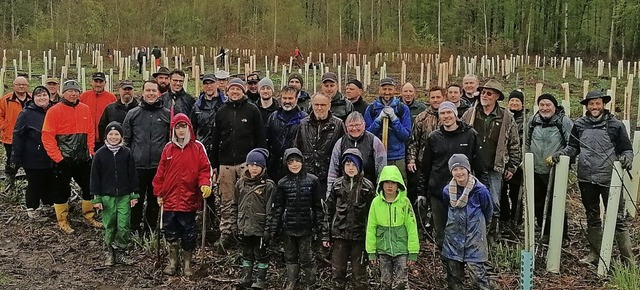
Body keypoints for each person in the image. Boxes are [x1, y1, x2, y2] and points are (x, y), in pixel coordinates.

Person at [551, 90, 636, 265]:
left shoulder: (615, 125)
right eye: (591, 104)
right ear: (587, 106)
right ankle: (595, 255)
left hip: (609, 179)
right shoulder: (580, 124)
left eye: (597, 103)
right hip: (586, 178)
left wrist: (627, 158)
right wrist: (561, 154)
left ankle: (628, 259)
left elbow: (627, 149)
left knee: (618, 219)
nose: (594, 107)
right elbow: (572, 148)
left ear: (603, 104)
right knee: (592, 216)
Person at [417, 101, 485, 249]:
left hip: (463, 193)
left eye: (449, 112)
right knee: (442, 233)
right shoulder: (434, 137)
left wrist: (481, 189)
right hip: (438, 192)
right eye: (443, 113)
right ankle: (446, 265)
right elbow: (426, 167)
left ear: (455, 114)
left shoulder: (470, 135)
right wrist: (422, 192)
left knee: (461, 231)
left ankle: (459, 265)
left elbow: (479, 165)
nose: (446, 116)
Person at [461, 79, 521, 244]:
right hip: (473, 167)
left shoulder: (506, 117)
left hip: (494, 167)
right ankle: (473, 235)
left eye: (489, 93)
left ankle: (491, 236)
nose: (484, 96)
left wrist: (512, 165)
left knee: (493, 202)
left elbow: (514, 144)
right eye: (483, 92)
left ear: (497, 97)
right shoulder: (470, 114)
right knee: (471, 200)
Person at [210, 78, 266, 250]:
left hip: (246, 164)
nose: (235, 92)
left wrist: (260, 162)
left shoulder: (252, 111)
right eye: (232, 89)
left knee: (246, 200)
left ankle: (245, 234)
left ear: (243, 91)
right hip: (225, 164)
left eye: (238, 89)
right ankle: (227, 233)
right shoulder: (221, 111)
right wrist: (214, 165)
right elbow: (215, 139)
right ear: (227, 91)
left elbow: (260, 137)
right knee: (227, 201)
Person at [153, 113, 212, 276]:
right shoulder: (168, 149)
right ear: (173, 129)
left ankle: (187, 264)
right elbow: (161, 172)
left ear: (189, 128)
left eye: (183, 127)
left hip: (189, 199)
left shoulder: (197, 148)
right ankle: (173, 262)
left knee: (188, 232)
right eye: (178, 127)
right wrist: (158, 192)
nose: (181, 130)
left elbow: (204, 170)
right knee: (170, 231)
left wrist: (205, 184)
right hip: (170, 199)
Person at [42, 80, 101, 234]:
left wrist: (91, 151)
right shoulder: (54, 111)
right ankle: (62, 221)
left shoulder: (85, 109)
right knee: (61, 191)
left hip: (82, 159)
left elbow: (90, 132)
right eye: (70, 91)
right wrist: (58, 158)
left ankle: (88, 216)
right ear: (64, 92)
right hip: (63, 160)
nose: (73, 93)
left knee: (89, 187)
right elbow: (47, 136)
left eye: (76, 91)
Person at [267, 148, 323, 290]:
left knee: (306, 257)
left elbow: (318, 206)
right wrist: (273, 229)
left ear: (302, 162)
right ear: (286, 164)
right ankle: (292, 282)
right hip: (288, 228)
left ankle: (311, 283)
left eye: (297, 161)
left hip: (306, 227)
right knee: (290, 257)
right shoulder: (282, 183)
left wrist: (321, 227)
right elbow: (278, 208)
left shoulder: (312, 181)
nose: (294, 164)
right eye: (291, 162)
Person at [322, 149, 376, 290]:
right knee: (338, 272)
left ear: (359, 166)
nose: (350, 168)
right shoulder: (337, 185)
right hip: (339, 235)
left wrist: (372, 239)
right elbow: (329, 211)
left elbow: (373, 214)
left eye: (354, 164)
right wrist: (325, 235)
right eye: (347, 164)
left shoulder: (367, 186)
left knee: (359, 274)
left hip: (359, 237)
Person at [123, 80, 171, 234]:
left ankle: (150, 228)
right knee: (136, 199)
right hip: (138, 166)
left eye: (153, 91)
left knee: (154, 200)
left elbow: (170, 140)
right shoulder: (133, 114)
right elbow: (126, 140)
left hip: (158, 167)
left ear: (158, 93)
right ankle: (135, 228)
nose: (151, 94)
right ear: (142, 93)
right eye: (148, 90)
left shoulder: (167, 114)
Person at [90, 121, 139, 266]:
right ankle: (109, 251)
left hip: (124, 196)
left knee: (123, 224)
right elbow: (94, 177)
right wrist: (96, 197)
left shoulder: (127, 153)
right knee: (110, 224)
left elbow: (132, 175)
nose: (113, 137)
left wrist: (134, 194)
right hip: (107, 196)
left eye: (117, 134)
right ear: (106, 136)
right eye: (111, 134)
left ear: (121, 136)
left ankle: (122, 250)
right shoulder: (100, 154)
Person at [442, 154, 493, 290]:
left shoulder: (480, 190)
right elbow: (445, 210)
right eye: (455, 169)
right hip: (453, 239)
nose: (459, 173)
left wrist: (480, 228)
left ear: (468, 169)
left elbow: (488, 211)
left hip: (474, 239)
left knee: (477, 276)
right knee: (454, 278)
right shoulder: (447, 191)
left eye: (461, 168)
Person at [525, 94, 572, 240]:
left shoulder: (563, 121)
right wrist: (526, 158)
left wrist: (560, 154)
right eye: (542, 105)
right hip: (536, 169)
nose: (545, 108)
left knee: (555, 202)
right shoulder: (533, 121)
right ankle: (544, 231)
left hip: (556, 169)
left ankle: (561, 235)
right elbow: (526, 142)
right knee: (538, 201)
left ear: (554, 107)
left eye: (548, 105)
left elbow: (572, 144)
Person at [365, 165, 419, 290]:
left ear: (398, 184)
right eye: (387, 182)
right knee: (385, 282)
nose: (390, 186)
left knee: (401, 282)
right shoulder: (376, 203)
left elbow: (412, 227)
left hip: (401, 249)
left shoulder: (405, 202)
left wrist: (413, 251)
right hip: (383, 249)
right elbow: (371, 227)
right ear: (381, 184)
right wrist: (371, 251)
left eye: (393, 183)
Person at [234, 148, 276, 289]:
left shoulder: (268, 186)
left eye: (257, 165)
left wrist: (268, 229)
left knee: (261, 254)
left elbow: (271, 209)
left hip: (260, 226)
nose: (254, 168)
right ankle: (246, 278)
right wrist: (235, 224)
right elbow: (235, 205)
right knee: (247, 253)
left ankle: (260, 280)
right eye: (251, 165)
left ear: (263, 167)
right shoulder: (240, 184)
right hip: (244, 225)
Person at [11, 86, 53, 219]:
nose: (42, 98)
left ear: (49, 97)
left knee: (48, 180)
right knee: (35, 183)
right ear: (33, 98)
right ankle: (32, 208)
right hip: (32, 156)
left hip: (50, 155)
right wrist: (15, 157)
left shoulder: (53, 110)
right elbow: (18, 135)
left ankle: (47, 204)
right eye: (38, 96)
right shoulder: (26, 114)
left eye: (44, 95)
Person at [295, 92, 345, 196]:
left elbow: (343, 150)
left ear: (329, 105)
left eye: (323, 105)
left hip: (328, 176)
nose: (319, 108)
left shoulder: (338, 124)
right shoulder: (303, 124)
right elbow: (296, 148)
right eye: (316, 105)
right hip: (306, 176)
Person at [327, 112, 386, 197]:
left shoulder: (375, 142)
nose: (354, 128)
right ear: (346, 127)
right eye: (350, 125)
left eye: (357, 125)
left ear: (364, 125)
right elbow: (333, 172)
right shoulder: (340, 143)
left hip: (367, 193)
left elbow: (381, 171)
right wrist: (330, 194)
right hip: (344, 194)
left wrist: (379, 195)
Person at [364, 78, 411, 179]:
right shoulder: (371, 109)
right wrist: (378, 120)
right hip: (377, 155)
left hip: (397, 156)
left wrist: (394, 119)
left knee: (398, 184)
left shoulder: (402, 108)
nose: (387, 92)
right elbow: (367, 135)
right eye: (384, 89)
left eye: (390, 89)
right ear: (379, 90)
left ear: (394, 90)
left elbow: (406, 135)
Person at [406, 86, 445, 200]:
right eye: (433, 97)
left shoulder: (450, 116)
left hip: (443, 164)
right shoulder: (421, 118)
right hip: (423, 163)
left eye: (438, 97)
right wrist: (411, 159)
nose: (435, 100)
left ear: (444, 98)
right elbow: (414, 141)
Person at [265, 86, 307, 182]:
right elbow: (267, 140)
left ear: (296, 99)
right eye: (284, 98)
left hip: (295, 166)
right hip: (275, 167)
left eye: (290, 98)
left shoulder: (304, 119)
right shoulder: (273, 117)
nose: (287, 101)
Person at [500, 90, 525, 229]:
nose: (514, 103)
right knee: (502, 192)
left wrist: (518, 161)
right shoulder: (503, 117)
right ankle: (504, 218)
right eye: (512, 101)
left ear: (522, 104)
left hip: (518, 162)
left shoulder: (526, 120)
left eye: (517, 101)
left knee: (516, 193)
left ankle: (516, 219)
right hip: (503, 160)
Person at [0, 76, 31, 183]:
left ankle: (31, 182)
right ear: (14, 86)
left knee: (30, 160)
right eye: (18, 84)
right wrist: (5, 126)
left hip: (29, 137)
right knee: (11, 160)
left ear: (28, 86)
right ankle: (10, 181)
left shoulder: (33, 99)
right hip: (10, 137)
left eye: (24, 84)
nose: (21, 86)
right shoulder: (5, 99)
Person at [80, 72, 117, 151]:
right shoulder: (83, 97)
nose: (98, 84)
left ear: (105, 83)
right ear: (91, 82)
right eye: (96, 81)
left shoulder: (111, 98)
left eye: (101, 82)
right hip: (86, 139)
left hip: (105, 139)